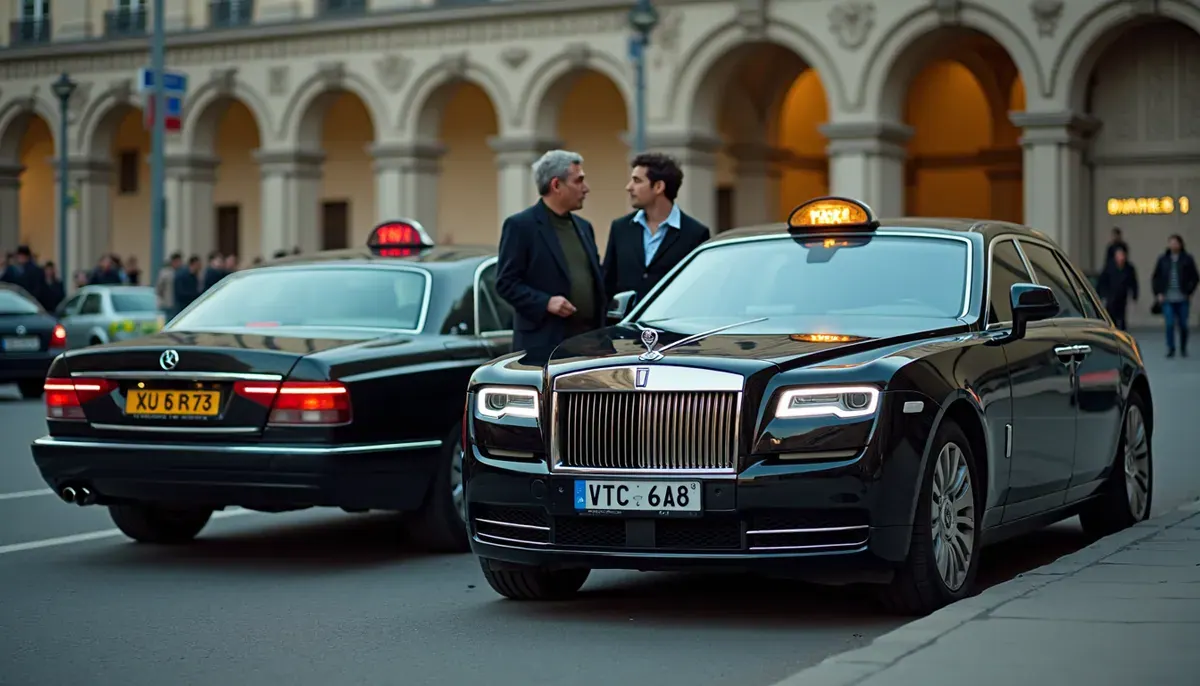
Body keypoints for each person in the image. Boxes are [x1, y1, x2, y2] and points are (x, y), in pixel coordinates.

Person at [495, 149, 605, 352]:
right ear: (556, 185)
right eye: (578, 181)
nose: (586, 189)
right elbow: (505, 283)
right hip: (544, 345)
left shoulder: (584, 227)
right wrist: (545, 302)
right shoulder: (521, 226)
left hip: (589, 343)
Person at [602, 152, 710, 306]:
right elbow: (607, 284)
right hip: (625, 326)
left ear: (659, 186)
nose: (629, 187)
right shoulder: (620, 228)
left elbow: (700, 289)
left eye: (637, 181)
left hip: (671, 326)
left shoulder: (695, 234)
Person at [1151, 234, 1199, 357]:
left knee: (1183, 324)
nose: (1173, 245)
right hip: (1167, 298)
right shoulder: (1163, 259)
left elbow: (1195, 277)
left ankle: (1183, 347)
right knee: (1170, 323)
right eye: (1171, 242)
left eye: (1175, 242)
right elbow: (1156, 278)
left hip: (1182, 297)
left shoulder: (1187, 259)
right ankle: (1171, 348)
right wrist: (1158, 293)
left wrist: (1189, 292)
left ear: (1180, 244)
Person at [1096, 246, 1138, 330]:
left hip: (1122, 296)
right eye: (1119, 255)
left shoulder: (1129, 268)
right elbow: (1102, 281)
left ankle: (1122, 332)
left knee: (1122, 316)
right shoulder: (1109, 267)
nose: (1121, 257)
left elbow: (1133, 282)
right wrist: (1102, 294)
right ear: (1115, 256)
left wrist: (1134, 294)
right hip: (1111, 295)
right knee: (1111, 315)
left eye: (1122, 255)